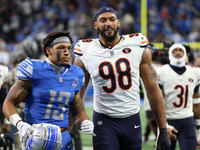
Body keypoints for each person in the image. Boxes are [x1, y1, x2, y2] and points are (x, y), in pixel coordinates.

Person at [74, 6, 170, 150]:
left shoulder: (137, 45)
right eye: (103, 20)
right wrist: (80, 119)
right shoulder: (85, 50)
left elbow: (152, 88)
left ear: (118, 22)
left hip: (132, 118)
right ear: (95, 25)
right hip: (104, 119)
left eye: (112, 19)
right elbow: (77, 93)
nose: (108, 23)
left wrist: (163, 129)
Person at [3, 31, 95, 150]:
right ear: (48, 51)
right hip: (35, 138)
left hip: (63, 138)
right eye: (61, 48)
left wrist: (84, 121)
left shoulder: (76, 74)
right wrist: (20, 124)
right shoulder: (33, 69)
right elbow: (8, 102)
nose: (67, 52)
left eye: (68, 48)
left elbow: (77, 110)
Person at [156, 43, 200, 150]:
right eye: (174, 50)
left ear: (185, 54)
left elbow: (196, 103)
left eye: (181, 50)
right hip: (168, 120)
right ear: (170, 54)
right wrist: (164, 125)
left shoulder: (195, 72)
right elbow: (158, 102)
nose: (178, 52)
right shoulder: (161, 71)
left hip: (187, 121)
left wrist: (199, 130)